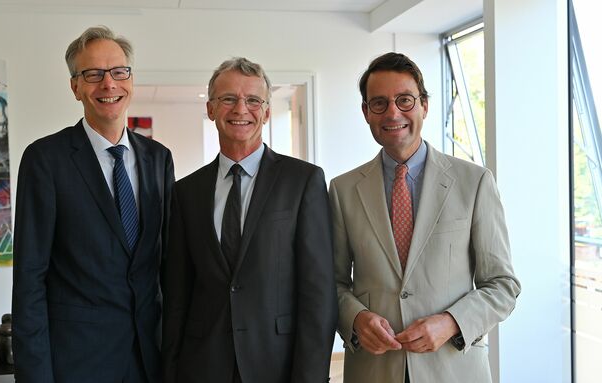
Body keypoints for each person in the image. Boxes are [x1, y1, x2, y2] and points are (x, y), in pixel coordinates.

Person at [329, 52, 521, 383]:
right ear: (366, 112)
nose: (393, 112)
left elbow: (503, 285)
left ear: (424, 106)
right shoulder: (343, 189)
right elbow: (330, 281)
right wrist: (356, 319)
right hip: (373, 371)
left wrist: (452, 322)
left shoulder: (474, 183)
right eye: (379, 103)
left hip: (453, 369)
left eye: (405, 100)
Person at [12, 25, 174, 383]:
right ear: (75, 87)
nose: (109, 84)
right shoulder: (45, 160)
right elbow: (29, 279)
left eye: (119, 72)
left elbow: (165, 266)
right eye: (93, 74)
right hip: (78, 363)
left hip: (151, 359)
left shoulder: (158, 159)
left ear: (131, 79)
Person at [162, 57, 337, 383]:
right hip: (201, 366)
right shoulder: (185, 192)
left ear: (267, 112)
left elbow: (319, 294)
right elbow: (177, 295)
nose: (241, 109)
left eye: (253, 100)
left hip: (277, 364)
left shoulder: (303, 182)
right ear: (211, 108)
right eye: (228, 99)